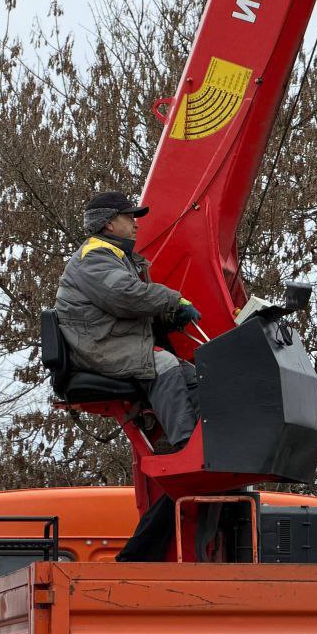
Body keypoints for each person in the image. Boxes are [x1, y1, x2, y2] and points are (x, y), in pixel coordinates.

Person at [56, 191, 202, 448]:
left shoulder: (118, 257)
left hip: (116, 342)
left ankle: (207, 446)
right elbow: (125, 296)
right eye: (129, 216)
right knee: (165, 364)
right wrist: (172, 299)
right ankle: (185, 448)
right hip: (100, 346)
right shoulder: (95, 256)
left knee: (193, 374)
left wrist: (170, 314)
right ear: (109, 223)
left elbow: (135, 304)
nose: (136, 222)